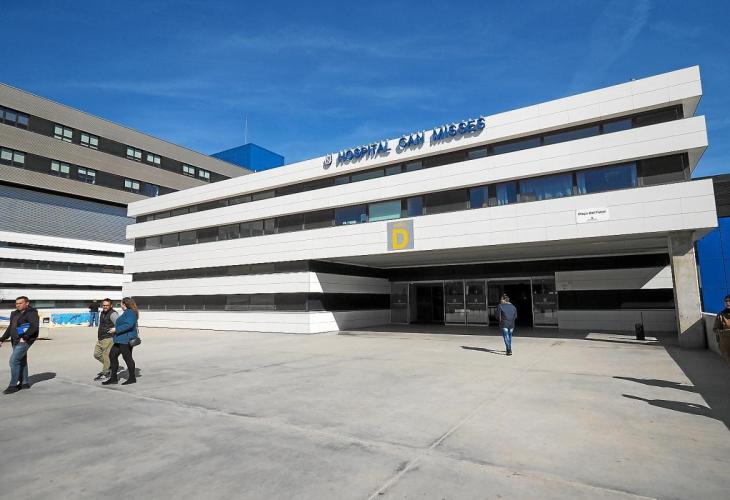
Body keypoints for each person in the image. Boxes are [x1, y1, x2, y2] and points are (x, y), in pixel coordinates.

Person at [0, 296, 39, 394]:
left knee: (13, 361)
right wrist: (2, 339)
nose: (17, 305)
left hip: (25, 340)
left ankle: (13, 385)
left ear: (27, 303)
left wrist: (25, 337)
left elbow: (34, 327)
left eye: (20, 303)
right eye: (16, 303)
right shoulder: (15, 313)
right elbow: (11, 327)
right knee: (22, 360)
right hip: (15, 340)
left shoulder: (31, 313)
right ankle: (25, 383)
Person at [102, 297, 139, 386]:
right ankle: (113, 378)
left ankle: (132, 378)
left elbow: (129, 325)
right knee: (112, 356)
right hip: (119, 339)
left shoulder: (130, 312)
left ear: (124, 304)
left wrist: (116, 329)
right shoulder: (126, 312)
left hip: (125, 340)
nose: (120, 305)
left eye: (121, 304)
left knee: (127, 358)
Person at [94, 298, 119, 381]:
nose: (105, 307)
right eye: (103, 305)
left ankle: (106, 373)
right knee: (97, 354)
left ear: (111, 305)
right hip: (101, 337)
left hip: (109, 338)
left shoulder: (113, 314)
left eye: (107, 305)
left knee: (106, 356)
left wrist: (115, 329)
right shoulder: (102, 312)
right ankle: (111, 365)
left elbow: (119, 324)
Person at [712, 294, 730, 363]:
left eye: (729, 301)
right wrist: (724, 332)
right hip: (726, 345)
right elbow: (715, 329)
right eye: (726, 301)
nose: (728, 303)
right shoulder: (721, 315)